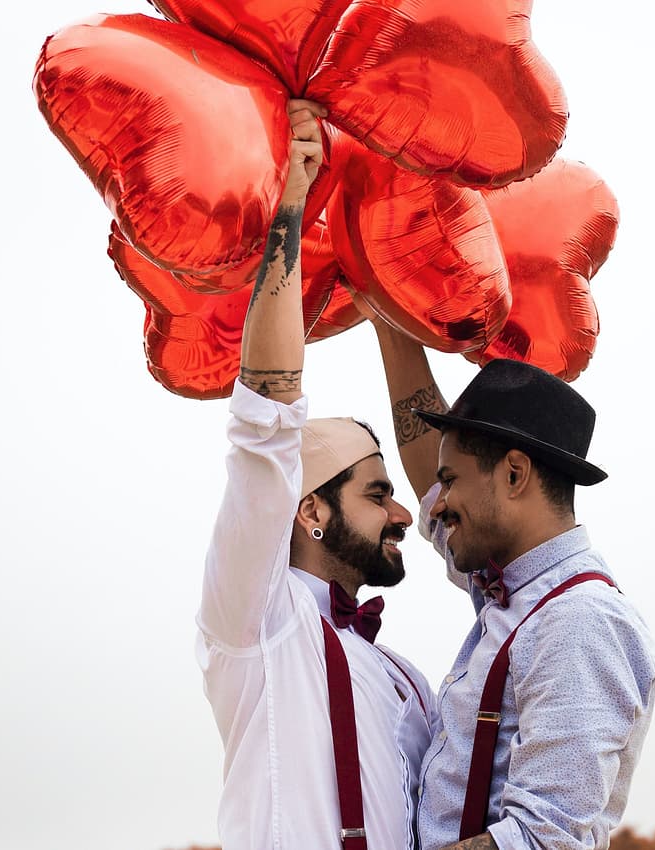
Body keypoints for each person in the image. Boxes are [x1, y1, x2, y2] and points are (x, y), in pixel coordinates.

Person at [197, 100, 436, 850]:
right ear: (309, 513)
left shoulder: (407, 680)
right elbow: (265, 424)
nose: (404, 516)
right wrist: (290, 207)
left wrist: (392, 307)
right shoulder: (255, 618)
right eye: (377, 493)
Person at [365, 317, 655, 850]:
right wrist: (392, 323)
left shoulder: (577, 620)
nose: (439, 502)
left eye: (452, 481)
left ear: (515, 475)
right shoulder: (514, 592)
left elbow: (543, 840)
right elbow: (430, 485)